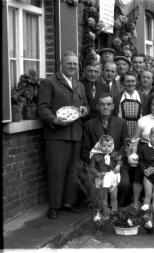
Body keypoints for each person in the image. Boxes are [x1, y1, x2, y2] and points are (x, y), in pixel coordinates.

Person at [38, 51, 89, 219]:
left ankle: (68, 202)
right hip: (57, 134)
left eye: (75, 64)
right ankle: (54, 205)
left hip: (76, 135)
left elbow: (86, 106)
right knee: (56, 170)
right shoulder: (49, 83)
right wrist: (54, 120)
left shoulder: (79, 85)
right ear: (61, 64)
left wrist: (84, 110)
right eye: (69, 64)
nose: (73, 66)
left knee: (72, 171)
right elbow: (43, 108)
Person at [82, 93, 131, 207]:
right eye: (102, 104)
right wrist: (95, 166)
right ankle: (101, 210)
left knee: (124, 184)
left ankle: (119, 210)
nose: (105, 107)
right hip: (97, 164)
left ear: (113, 106)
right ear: (97, 107)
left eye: (108, 104)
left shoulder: (121, 123)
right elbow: (85, 149)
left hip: (117, 162)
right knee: (96, 185)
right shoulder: (89, 125)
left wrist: (116, 159)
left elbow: (125, 145)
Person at [89, 135, 122, 216]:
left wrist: (118, 165)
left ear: (112, 146)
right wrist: (98, 173)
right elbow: (91, 168)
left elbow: (120, 160)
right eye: (104, 145)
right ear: (100, 145)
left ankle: (114, 212)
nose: (106, 148)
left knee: (114, 196)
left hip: (112, 178)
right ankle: (105, 213)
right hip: (101, 179)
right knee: (103, 198)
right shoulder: (95, 156)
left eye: (109, 146)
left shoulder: (115, 154)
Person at [113, 72, 144, 138]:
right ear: (123, 83)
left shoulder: (144, 97)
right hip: (121, 130)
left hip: (139, 131)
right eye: (128, 81)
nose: (130, 84)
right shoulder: (116, 98)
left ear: (136, 82)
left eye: (133, 81)